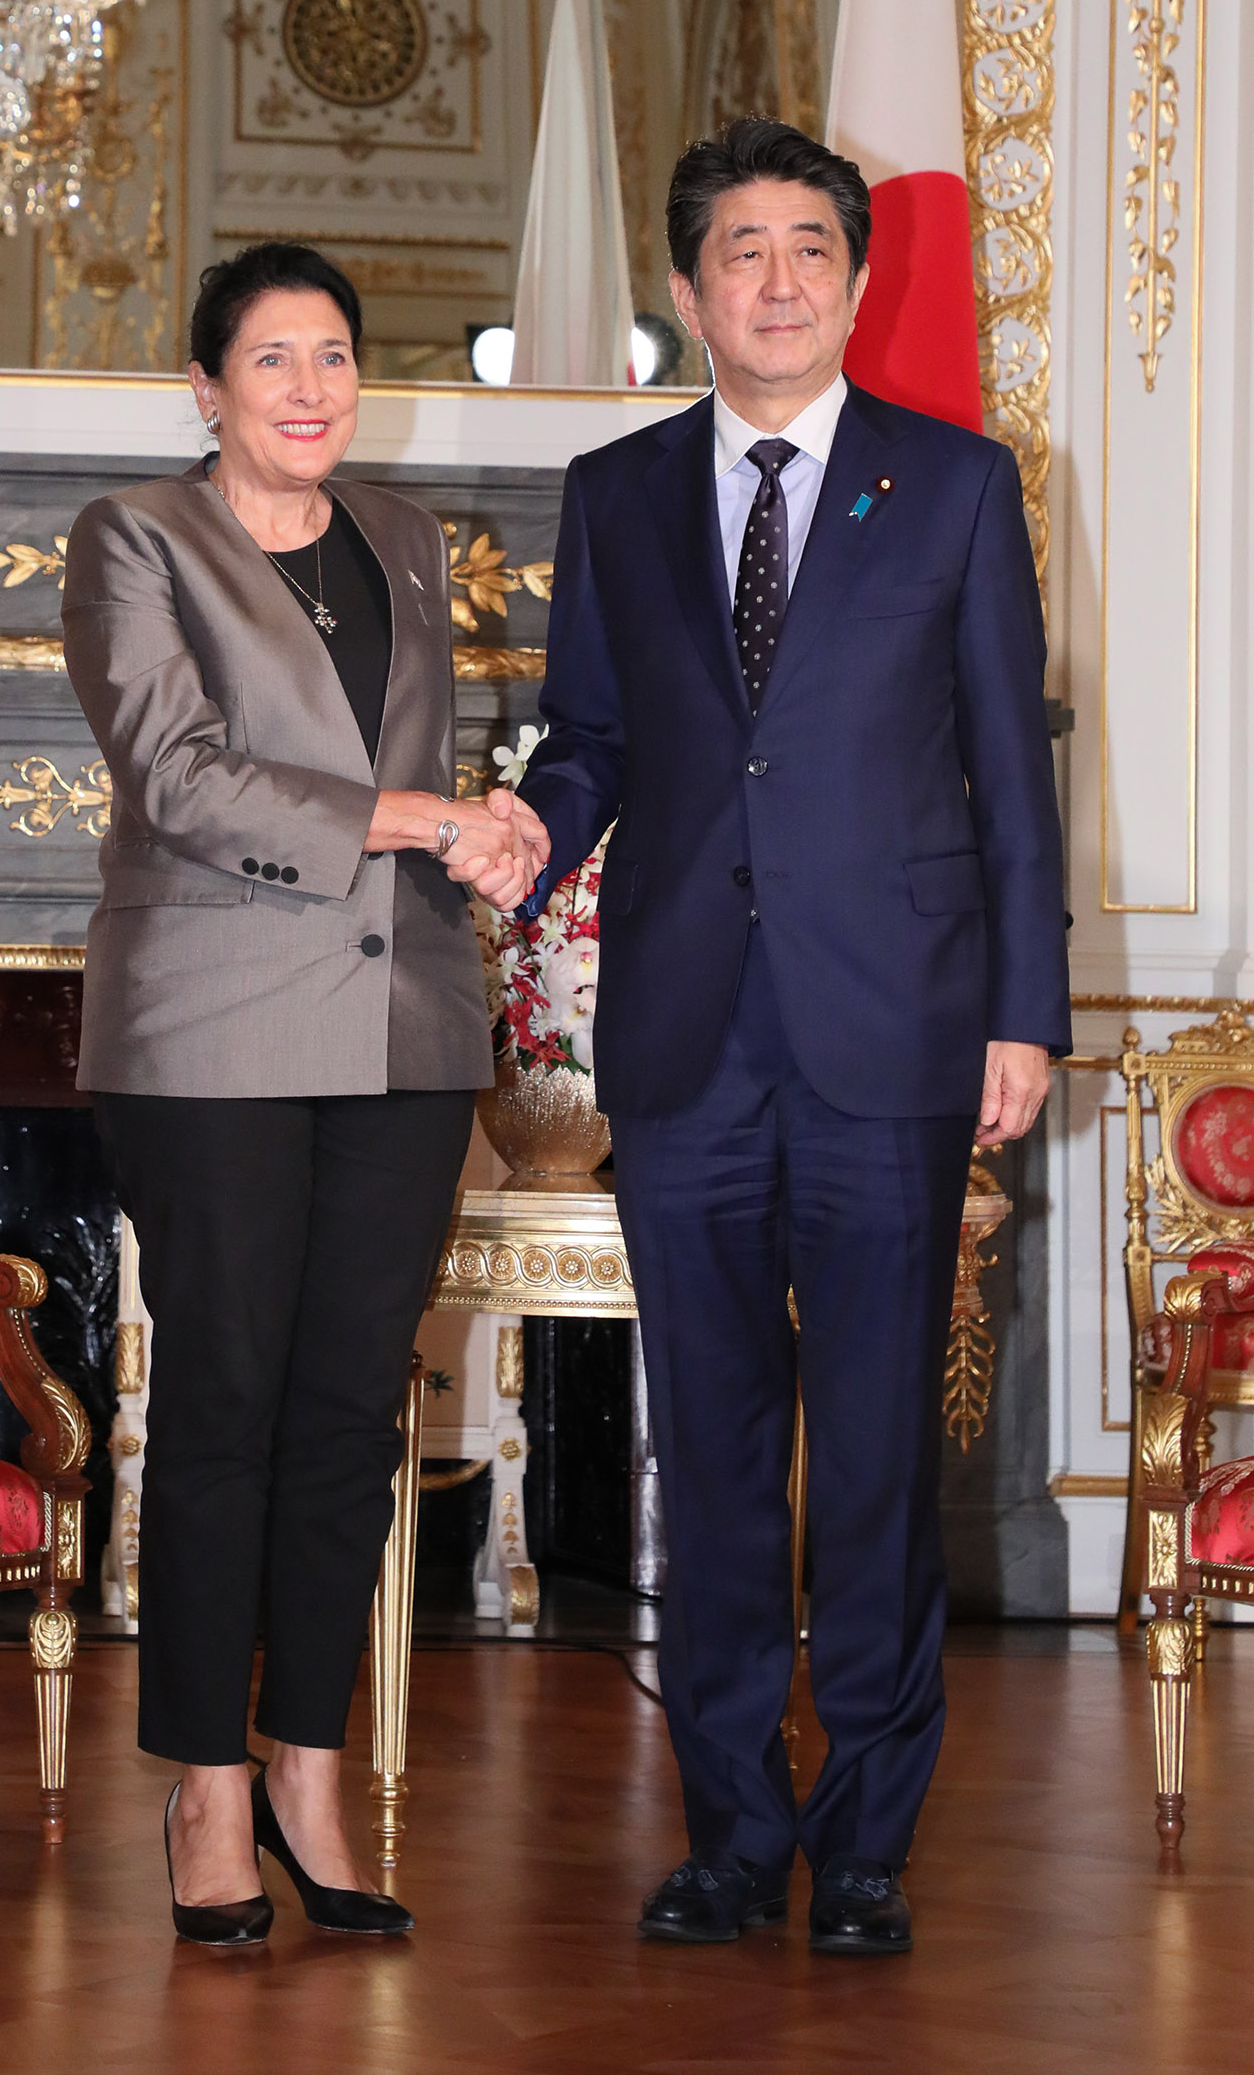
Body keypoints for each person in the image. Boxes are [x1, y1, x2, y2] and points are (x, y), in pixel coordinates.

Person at [508, 117, 1069, 1958]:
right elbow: (591, 739)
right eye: (740, 251)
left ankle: (869, 1845)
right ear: (689, 292)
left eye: (809, 248)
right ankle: (735, 1835)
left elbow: (1008, 769)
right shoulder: (614, 493)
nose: (777, 280)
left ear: (853, 279)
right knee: (714, 1455)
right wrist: (524, 835)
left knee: (881, 1457)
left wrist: (1022, 1012)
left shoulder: (957, 484)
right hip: (685, 1039)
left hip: (895, 1033)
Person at [61, 241, 548, 1949]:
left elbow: (405, 760)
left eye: (331, 353)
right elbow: (177, 773)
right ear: (206, 388)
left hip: (403, 1026)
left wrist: (492, 822)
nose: (308, 386)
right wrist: (422, 818)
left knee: (353, 1414)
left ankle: (307, 1773)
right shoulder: (136, 536)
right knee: (224, 1403)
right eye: (270, 357)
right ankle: (204, 1785)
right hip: (208, 1030)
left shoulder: (402, 536)